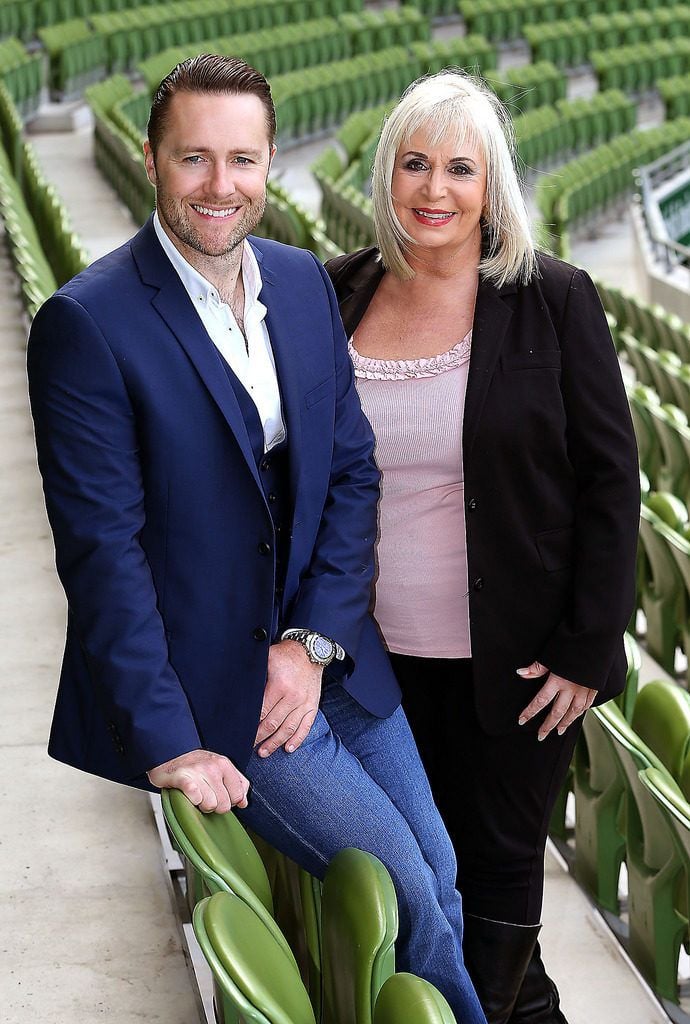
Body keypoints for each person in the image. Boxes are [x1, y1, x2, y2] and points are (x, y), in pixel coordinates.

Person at [27, 54, 487, 1023]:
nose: (220, 186)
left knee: (442, 872)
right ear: (152, 159)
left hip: (325, 660)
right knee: (407, 892)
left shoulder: (299, 283)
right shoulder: (88, 323)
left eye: (242, 159)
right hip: (226, 702)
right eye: (194, 159)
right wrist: (169, 746)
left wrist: (311, 642)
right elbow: (102, 556)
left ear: (271, 162)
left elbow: (352, 470)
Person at [326, 70, 639, 1024]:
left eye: (459, 168)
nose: (434, 189)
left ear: (491, 185)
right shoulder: (334, 292)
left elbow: (609, 480)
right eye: (414, 164)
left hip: (514, 668)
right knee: (428, 897)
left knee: (498, 897)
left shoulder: (553, 299)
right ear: (385, 177)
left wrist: (589, 650)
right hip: (367, 666)